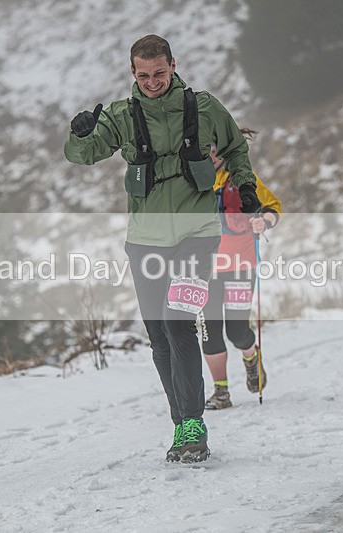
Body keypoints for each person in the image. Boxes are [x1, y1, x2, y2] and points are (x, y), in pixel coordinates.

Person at [64, 35, 261, 463]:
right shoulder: (121, 115)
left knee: (178, 325)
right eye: (143, 74)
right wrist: (79, 136)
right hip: (145, 240)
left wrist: (245, 187)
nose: (152, 82)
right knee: (158, 338)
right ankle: (181, 423)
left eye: (159, 72)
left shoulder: (204, 107)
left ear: (173, 64)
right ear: (132, 73)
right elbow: (83, 155)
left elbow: (235, 147)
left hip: (197, 234)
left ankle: (194, 425)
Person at [200, 136, 281, 410]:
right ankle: (220, 392)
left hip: (240, 265)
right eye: (205, 150)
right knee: (210, 332)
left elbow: (272, 207)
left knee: (236, 331)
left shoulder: (242, 178)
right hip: (203, 268)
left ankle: (251, 358)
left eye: (213, 151)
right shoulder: (190, 180)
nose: (209, 156)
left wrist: (264, 221)